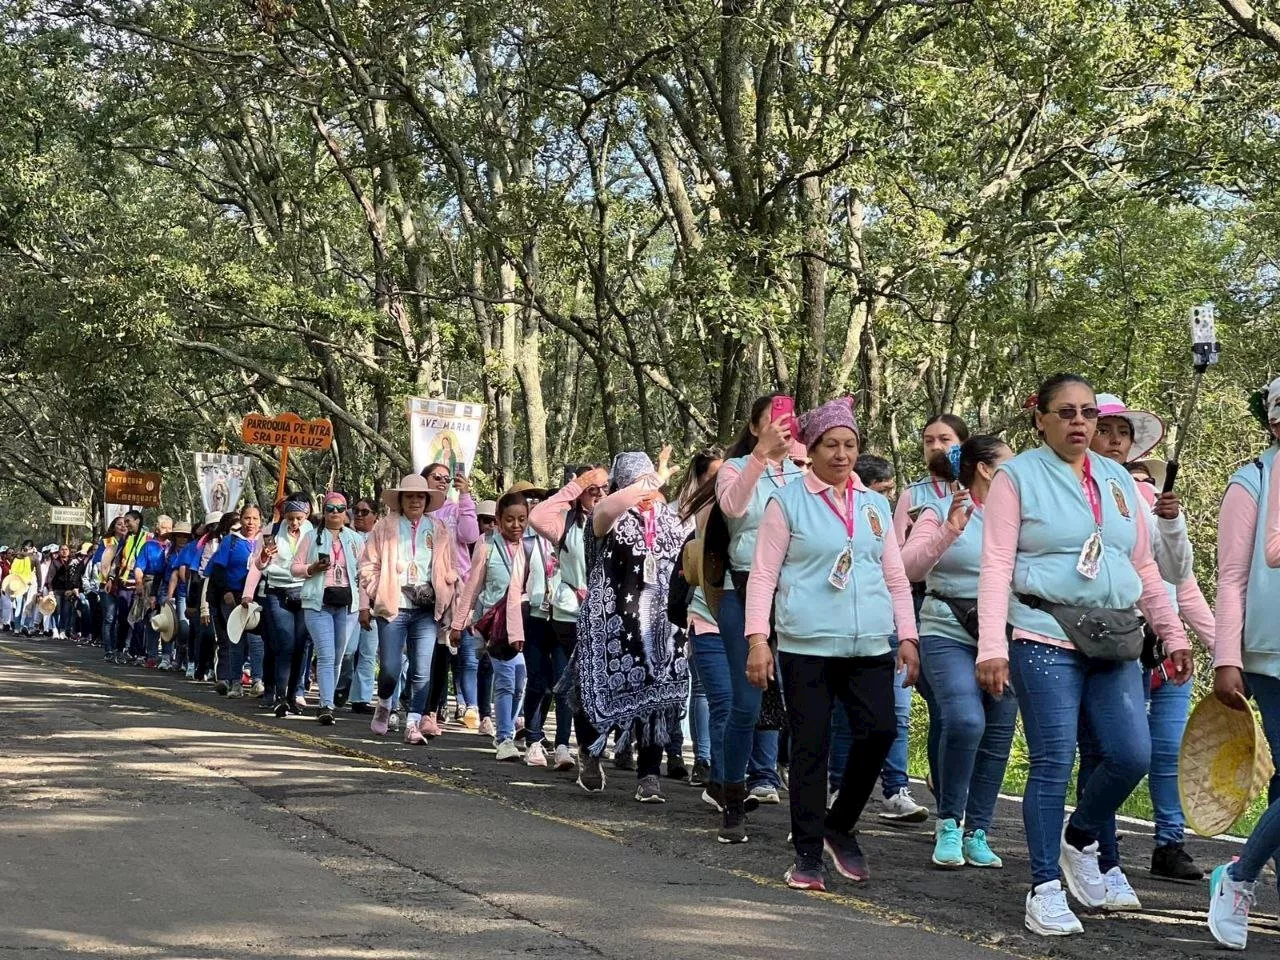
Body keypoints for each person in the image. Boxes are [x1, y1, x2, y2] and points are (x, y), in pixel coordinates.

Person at [975, 372, 1192, 937]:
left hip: (1117, 636)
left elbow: (1144, 564)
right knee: (1053, 761)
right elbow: (996, 562)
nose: (1079, 422)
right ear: (1040, 418)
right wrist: (992, 645)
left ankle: (1079, 837)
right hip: (1044, 631)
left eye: (1088, 413)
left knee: (1131, 754)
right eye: (1066, 412)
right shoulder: (1015, 477)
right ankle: (1044, 886)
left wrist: (1173, 633)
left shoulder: (1120, 481)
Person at [745, 396, 920, 890]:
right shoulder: (788, 501)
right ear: (812, 448)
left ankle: (838, 826)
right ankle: (806, 855)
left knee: (880, 731)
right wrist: (759, 639)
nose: (841, 455)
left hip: (869, 645)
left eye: (850, 445)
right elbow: (762, 576)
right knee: (811, 748)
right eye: (830, 445)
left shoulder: (874, 505)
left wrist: (907, 635)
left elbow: (895, 576)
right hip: (806, 645)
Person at [1086, 396, 1215, 885]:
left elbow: (1182, 582)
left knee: (1165, 751)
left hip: (1165, 647)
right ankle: (1096, 837)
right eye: (1107, 429)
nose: (1116, 439)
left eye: (1124, 432)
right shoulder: (1080, 494)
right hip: (1114, 642)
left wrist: (1222, 650)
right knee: (1116, 752)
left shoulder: (1143, 495)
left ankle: (1170, 842)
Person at [681, 394, 803, 821]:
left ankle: (802, 807)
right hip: (740, 590)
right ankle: (731, 791)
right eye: (771, 423)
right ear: (754, 428)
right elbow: (733, 507)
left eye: (788, 422)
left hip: (791, 595)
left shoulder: (801, 474)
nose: (780, 429)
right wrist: (759, 457)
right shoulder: (734, 468)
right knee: (746, 701)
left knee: (803, 700)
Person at [901, 435, 1016, 869]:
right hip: (946, 628)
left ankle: (978, 830)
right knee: (966, 720)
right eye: (1009, 462)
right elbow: (910, 565)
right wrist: (951, 528)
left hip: (1006, 635)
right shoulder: (940, 509)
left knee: (999, 731)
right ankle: (950, 821)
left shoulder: (1022, 516)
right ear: (985, 469)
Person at [563, 448, 687, 802]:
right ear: (619, 487)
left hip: (659, 627)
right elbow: (604, 510)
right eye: (634, 484)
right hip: (609, 625)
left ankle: (649, 776)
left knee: (655, 700)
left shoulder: (670, 518)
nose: (644, 491)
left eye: (647, 482)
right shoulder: (608, 518)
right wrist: (651, 483)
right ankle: (590, 752)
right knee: (591, 692)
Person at [1205, 376, 1280, 950]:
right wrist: (1226, 656)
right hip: (1268, 652)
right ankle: (1238, 877)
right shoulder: (1251, 480)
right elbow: (1231, 577)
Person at [881, 415, 968, 824]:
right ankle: (947, 797)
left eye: (945, 439)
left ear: (964, 444)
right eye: (929, 439)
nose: (936, 446)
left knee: (952, 710)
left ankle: (951, 790)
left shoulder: (988, 490)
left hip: (977, 610)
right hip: (921, 604)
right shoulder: (913, 494)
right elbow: (895, 557)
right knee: (939, 703)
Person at [359, 474, 457, 744]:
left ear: (427, 500)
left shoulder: (438, 528)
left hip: (425, 609)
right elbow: (368, 564)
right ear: (401, 499)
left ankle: (413, 722)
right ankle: (384, 702)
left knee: (421, 670)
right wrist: (376, 589)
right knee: (390, 668)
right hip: (393, 606)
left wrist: (444, 590)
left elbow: (448, 567)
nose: (415, 500)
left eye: (420, 496)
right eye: (410, 496)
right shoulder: (385, 526)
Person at [528, 468, 605, 771]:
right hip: (568, 613)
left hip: (601, 614)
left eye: (604, 487)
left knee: (593, 686)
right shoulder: (566, 523)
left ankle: (588, 746)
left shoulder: (613, 520)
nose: (598, 492)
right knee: (569, 682)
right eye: (592, 488)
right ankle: (566, 745)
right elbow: (537, 516)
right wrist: (575, 486)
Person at [451, 491, 535, 760]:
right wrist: (458, 622)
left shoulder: (534, 546)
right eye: (509, 519)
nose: (516, 525)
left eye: (522, 519)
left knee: (522, 681)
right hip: (496, 626)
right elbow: (473, 587)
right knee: (506, 680)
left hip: (525, 622)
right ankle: (504, 738)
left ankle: (509, 725)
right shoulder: (487, 546)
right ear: (498, 520)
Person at [290, 492, 363, 725]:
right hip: (317, 603)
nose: (335, 513)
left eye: (340, 508)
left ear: (346, 512)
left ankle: (328, 698)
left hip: (347, 604)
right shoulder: (311, 537)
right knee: (326, 653)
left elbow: (365, 570)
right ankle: (326, 705)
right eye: (330, 508)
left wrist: (366, 604)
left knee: (341, 655)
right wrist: (312, 568)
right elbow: (295, 568)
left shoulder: (354, 539)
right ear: (324, 511)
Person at [244, 498, 311, 714]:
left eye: (299, 518)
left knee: (301, 647)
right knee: (284, 643)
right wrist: (263, 557)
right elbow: (259, 565)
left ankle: (294, 695)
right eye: (290, 518)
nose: (294, 523)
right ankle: (279, 696)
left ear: (306, 516)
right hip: (276, 591)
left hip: (304, 593)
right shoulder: (271, 531)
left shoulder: (314, 534)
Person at [208, 506, 266, 697]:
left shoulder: (265, 540)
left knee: (257, 640)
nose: (251, 523)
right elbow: (219, 568)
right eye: (247, 518)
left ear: (260, 521)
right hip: (233, 596)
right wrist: (226, 591)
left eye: (255, 518)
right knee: (236, 640)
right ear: (240, 520)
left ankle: (258, 680)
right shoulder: (230, 541)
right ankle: (235, 683)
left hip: (258, 596)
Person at [336, 497, 379, 714]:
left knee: (368, 652)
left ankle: (361, 698)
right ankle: (340, 687)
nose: (360, 515)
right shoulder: (345, 537)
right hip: (350, 602)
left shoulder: (381, 539)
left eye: (365, 512)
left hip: (375, 602)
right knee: (347, 650)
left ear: (375, 516)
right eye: (357, 511)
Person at [160, 522, 198, 672]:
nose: (182, 539)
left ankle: (183, 657)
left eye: (185, 536)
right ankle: (166, 656)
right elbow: (174, 574)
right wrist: (169, 596)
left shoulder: (195, 548)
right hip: (178, 592)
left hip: (194, 593)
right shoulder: (170, 552)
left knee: (185, 629)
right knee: (170, 624)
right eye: (179, 535)